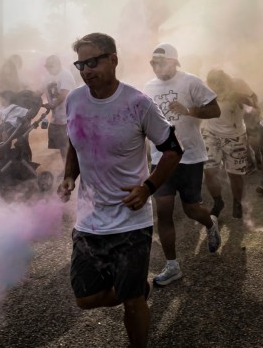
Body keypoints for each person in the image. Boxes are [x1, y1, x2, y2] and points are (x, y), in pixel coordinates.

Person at [57, 33, 183, 348]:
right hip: (89, 220)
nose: (86, 70)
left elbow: (172, 149)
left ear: (113, 59)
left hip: (131, 220)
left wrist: (148, 187)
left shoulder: (138, 103)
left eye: (92, 62)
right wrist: (69, 175)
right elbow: (75, 139)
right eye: (80, 64)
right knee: (85, 298)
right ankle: (137, 288)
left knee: (132, 302)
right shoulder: (74, 99)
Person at [143, 43, 222, 287]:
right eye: (152, 62)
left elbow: (215, 110)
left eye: (160, 62)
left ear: (174, 62)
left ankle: (210, 222)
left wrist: (188, 110)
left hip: (190, 157)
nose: (156, 67)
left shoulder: (191, 81)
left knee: (191, 209)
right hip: (161, 159)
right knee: (163, 213)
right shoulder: (148, 87)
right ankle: (172, 265)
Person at [202, 68, 258, 218]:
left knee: (234, 174)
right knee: (209, 170)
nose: (215, 88)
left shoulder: (239, 84)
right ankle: (218, 201)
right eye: (212, 84)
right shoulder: (204, 87)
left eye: (219, 85)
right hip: (211, 133)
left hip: (235, 135)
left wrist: (245, 100)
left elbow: (255, 102)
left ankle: (237, 201)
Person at [41, 54, 76, 162]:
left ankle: (70, 169)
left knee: (68, 145)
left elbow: (63, 93)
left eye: (50, 66)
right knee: (62, 146)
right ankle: (66, 167)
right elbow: (41, 89)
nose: (48, 69)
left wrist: (53, 105)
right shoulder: (49, 77)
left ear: (58, 64)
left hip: (69, 116)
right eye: (47, 66)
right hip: (57, 118)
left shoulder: (65, 75)